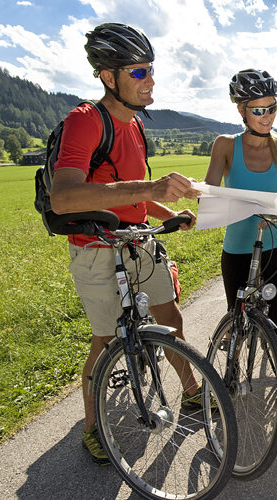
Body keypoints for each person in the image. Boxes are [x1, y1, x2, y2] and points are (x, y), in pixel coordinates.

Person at [49, 23, 200, 464]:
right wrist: (152, 188)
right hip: (97, 249)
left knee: (171, 319)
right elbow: (64, 197)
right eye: (138, 72)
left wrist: (171, 213)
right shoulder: (84, 121)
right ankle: (93, 427)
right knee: (106, 341)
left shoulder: (133, 126)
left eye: (150, 70)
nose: (149, 79)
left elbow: (132, 192)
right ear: (108, 77)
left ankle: (191, 391)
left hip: (138, 242)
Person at [203, 69, 277, 390]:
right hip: (237, 246)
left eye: (272, 107)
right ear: (241, 110)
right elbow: (209, 193)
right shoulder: (225, 146)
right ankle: (231, 369)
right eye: (259, 109)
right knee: (236, 315)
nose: (267, 116)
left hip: (275, 246)